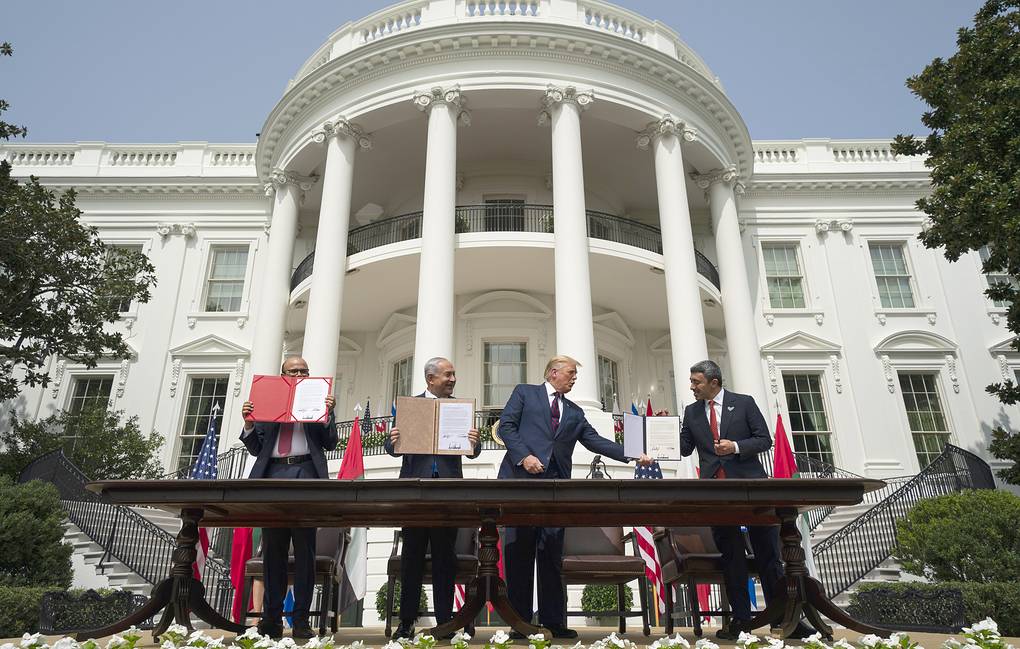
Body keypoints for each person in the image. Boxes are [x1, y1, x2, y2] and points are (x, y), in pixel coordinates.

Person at [497, 355, 652, 639]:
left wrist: (632, 453)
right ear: (553, 373)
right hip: (520, 485)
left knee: (551, 555)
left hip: (556, 491)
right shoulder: (525, 393)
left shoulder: (574, 412)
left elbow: (597, 442)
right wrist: (524, 457)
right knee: (519, 554)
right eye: (570, 373)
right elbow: (505, 426)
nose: (574, 378)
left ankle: (553, 622)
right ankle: (519, 624)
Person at [680, 359, 814, 640]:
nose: (692, 386)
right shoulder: (691, 413)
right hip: (716, 495)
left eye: (696, 382)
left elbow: (765, 440)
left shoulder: (744, 403)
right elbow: (683, 448)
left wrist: (736, 446)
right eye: (692, 382)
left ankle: (783, 619)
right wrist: (659, 434)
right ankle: (741, 621)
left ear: (714, 383)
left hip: (751, 490)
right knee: (732, 558)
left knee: (769, 555)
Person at [240, 356, 338, 640]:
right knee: (273, 550)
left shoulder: (320, 398)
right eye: (293, 371)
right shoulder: (267, 398)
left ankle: (301, 619)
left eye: (304, 371)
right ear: (282, 375)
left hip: (306, 472)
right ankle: (270, 618)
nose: (299, 375)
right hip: (273, 475)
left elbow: (330, 442)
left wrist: (328, 414)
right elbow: (257, 447)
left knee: (305, 550)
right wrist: (248, 424)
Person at [384, 357, 481, 640]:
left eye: (454, 374)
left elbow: (471, 452)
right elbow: (393, 450)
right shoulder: (409, 406)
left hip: (447, 494)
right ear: (430, 379)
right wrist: (393, 440)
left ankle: (444, 622)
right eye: (448, 375)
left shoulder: (460, 409)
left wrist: (474, 444)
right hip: (415, 493)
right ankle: (406, 622)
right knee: (411, 559)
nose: (453, 379)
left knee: (444, 559)